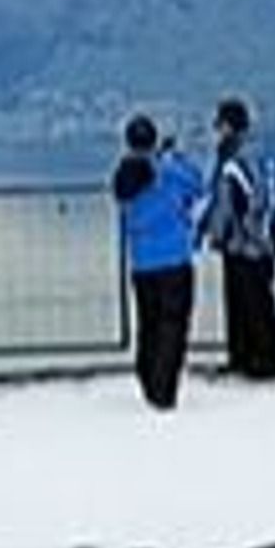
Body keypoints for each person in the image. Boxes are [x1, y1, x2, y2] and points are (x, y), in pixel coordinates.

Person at [111, 113, 203, 409]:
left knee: (149, 325)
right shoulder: (170, 171)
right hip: (175, 260)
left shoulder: (124, 178)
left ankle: (149, 380)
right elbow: (198, 183)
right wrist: (173, 155)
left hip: (142, 264)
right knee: (173, 327)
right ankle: (164, 391)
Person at [200, 95, 275, 378]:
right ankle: (256, 358)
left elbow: (228, 202)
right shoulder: (260, 156)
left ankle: (255, 360)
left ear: (229, 127)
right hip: (259, 243)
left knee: (248, 304)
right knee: (255, 303)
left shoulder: (234, 160)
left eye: (221, 125)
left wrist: (217, 234)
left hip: (244, 244)